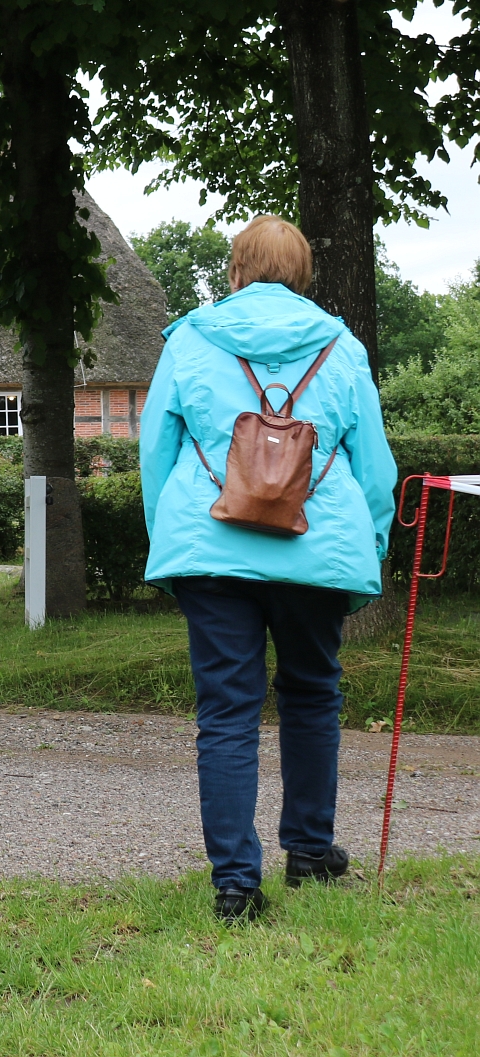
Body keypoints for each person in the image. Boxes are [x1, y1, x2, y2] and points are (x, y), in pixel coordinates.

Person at [141, 215, 397, 921]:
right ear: (303, 276)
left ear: (235, 272)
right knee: (313, 695)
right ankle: (311, 851)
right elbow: (375, 467)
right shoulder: (342, 346)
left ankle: (235, 884)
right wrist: (367, 543)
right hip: (317, 549)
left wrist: (168, 540)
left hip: (209, 547)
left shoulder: (190, 340)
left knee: (226, 709)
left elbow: (156, 450)